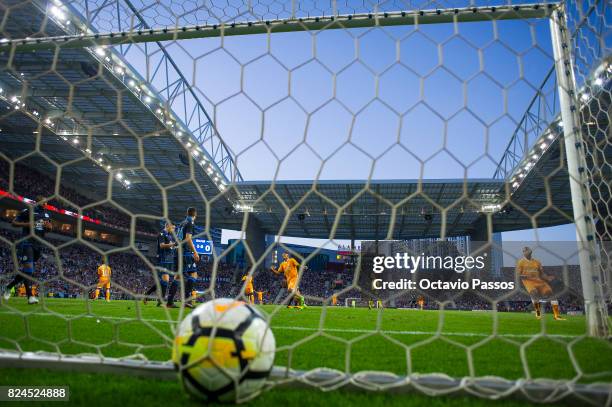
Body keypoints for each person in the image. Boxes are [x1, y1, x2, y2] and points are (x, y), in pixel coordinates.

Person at [3, 197, 50, 304]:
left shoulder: (46, 214)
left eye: (46, 202)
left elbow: (48, 229)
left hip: (38, 244)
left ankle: (9, 287)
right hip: (26, 242)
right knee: (29, 269)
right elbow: (14, 223)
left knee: (27, 272)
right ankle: (30, 297)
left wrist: (49, 227)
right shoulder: (27, 211)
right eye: (43, 202)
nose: (45, 203)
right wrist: (27, 224)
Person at [516, 247, 565, 320]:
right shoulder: (520, 262)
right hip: (529, 282)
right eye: (523, 251)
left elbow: (542, 274)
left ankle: (556, 316)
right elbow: (518, 275)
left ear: (530, 251)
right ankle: (538, 314)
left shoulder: (537, 262)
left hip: (539, 281)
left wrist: (548, 278)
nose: (525, 252)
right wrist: (527, 276)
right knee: (534, 293)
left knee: (552, 295)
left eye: (526, 250)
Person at [167, 207, 200, 308]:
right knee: (194, 274)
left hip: (177, 251)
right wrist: (195, 252)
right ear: (195, 215)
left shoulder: (182, 223)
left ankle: (169, 302)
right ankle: (186, 300)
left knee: (178, 276)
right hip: (185, 252)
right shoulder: (190, 223)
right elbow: (188, 239)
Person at [144, 222, 177, 306]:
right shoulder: (162, 234)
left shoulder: (169, 236)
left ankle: (147, 294)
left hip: (169, 260)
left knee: (163, 281)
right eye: (173, 228)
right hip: (163, 259)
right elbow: (162, 246)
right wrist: (173, 244)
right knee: (165, 280)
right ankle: (160, 301)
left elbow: (170, 247)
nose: (174, 230)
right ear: (168, 226)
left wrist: (174, 247)